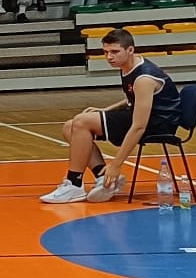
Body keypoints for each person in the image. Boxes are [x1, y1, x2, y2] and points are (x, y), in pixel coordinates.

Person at [39, 27, 184, 204]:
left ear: (130, 50)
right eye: (106, 52)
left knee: (81, 122)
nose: (109, 57)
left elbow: (139, 126)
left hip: (157, 124)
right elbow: (133, 99)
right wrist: (106, 110)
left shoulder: (144, 78)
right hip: (143, 116)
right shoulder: (129, 66)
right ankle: (102, 177)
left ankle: (74, 184)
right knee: (70, 127)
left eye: (115, 52)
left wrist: (116, 165)